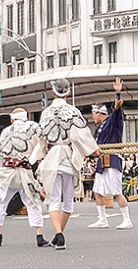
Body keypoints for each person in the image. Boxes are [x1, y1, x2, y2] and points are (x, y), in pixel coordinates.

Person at [38, 77, 99, 250]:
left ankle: (58, 235)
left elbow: (40, 136)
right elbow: (82, 134)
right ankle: (59, 235)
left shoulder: (46, 112)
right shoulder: (73, 111)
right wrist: (93, 149)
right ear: (68, 92)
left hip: (53, 157)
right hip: (69, 156)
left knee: (53, 199)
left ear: (52, 92)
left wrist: (37, 155)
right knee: (68, 202)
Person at [0, 107, 48, 248]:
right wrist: (32, 159)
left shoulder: (6, 132)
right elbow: (43, 142)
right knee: (33, 202)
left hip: (8, 173)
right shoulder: (33, 127)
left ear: (12, 119)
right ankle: (39, 235)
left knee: (1, 202)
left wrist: (1, 168)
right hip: (25, 171)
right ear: (26, 118)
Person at [88, 77, 132, 230]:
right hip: (102, 160)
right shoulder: (99, 129)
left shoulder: (113, 121)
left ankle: (127, 220)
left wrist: (118, 93)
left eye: (94, 113)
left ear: (100, 113)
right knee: (98, 191)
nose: (92, 116)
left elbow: (118, 107)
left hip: (113, 158)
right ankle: (102, 219)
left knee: (116, 191)